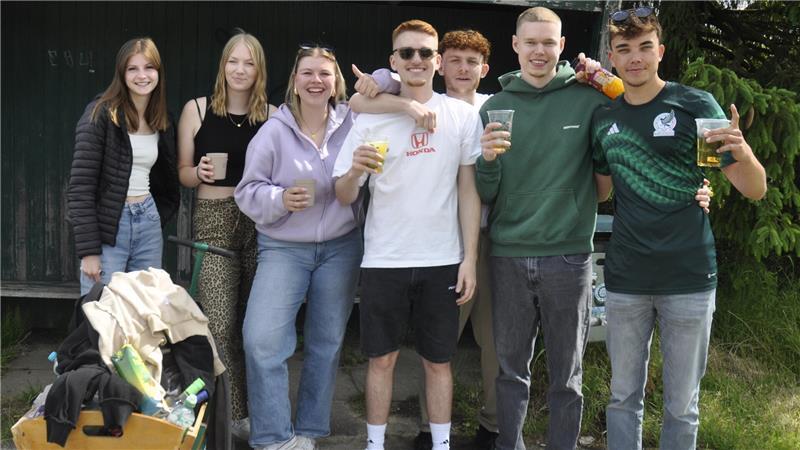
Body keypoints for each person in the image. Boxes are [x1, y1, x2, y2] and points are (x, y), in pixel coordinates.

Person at [590, 7, 766, 449]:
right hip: (626, 277)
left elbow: (754, 189)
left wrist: (742, 151)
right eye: (624, 49)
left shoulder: (694, 105)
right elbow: (599, 191)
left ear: (660, 51)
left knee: (682, 405)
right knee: (622, 397)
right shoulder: (604, 118)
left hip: (688, 276)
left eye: (644, 47)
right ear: (612, 57)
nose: (635, 58)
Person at [333, 20, 482, 450]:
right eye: (406, 53)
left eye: (424, 52)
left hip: (442, 259)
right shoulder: (370, 119)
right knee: (381, 360)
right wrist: (355, 171)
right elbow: (343, 195)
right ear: (393, 61)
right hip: (384, 259)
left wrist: (469, 258)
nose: (416, 60)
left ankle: (441, 444)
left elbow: (468, 190)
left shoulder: (461, 115)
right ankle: (374, 444)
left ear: (438, 62)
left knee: (439, 362)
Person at [234, 44, 368, 450]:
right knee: (261, 340)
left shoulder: (354, 122)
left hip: (342, 246)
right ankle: (273, 436)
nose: (316, 80)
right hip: (283, 248)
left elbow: (396, 80)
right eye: (307, 72)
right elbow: (247, 191)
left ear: (336, 82)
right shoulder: (273, 131)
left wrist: (377, 81)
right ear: (294, 81)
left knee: (326, 343)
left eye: (325, 73)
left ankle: (309, 431)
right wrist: (280, 199)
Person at [176, 29, 276, 439]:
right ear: (223, 66)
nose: (240, 69)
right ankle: (231, 417)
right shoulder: (197, 110)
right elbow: (182, 173)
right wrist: (197, 173)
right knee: (219, 323)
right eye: (233, 61)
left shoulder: (273, 116)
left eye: (249, 62)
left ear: (259, 70)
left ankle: (258, 413)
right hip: (214, 219)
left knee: (257, 327)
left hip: (261, 222)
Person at [68, 37, 178, 296]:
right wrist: (89, 251)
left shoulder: (161, 119)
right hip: (109, 226)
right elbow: (80, 187)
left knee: (145, 306)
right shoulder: (100, 114)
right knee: (102, 307)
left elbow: (166, 178)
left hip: (148, 221)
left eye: (149, 67)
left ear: (158, 72)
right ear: (121, 73)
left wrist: (158, 214)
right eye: (133, 68)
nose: (142, 75)